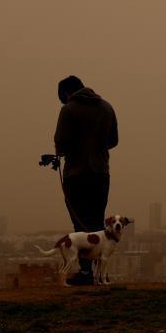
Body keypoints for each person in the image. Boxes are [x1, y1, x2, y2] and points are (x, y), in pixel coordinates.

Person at [53, 75, 119, 285]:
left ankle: (85, 272)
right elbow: (113, 141)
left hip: (77, 174)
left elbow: (61, 143)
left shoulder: (69, 110)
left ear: (66, 93)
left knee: (79, 223)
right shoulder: (107, 108)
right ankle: (98, 273)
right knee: (97, 221)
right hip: (101, 173)